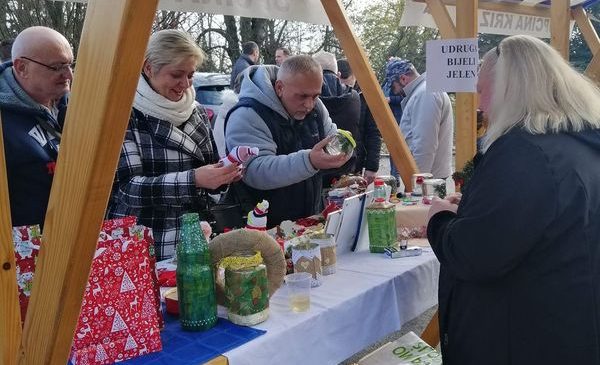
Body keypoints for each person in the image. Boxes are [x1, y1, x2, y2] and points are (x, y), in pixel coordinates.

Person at [427, 34, 600, 365]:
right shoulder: (580, 143)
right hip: (568, 323)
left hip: (522, 336)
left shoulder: (525, 152)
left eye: (482, 90)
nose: (480, 105)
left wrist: (439, 218)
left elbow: (474, 255)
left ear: (509, 88)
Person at [107, 29, 241, 260]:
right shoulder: (124, 113)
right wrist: (194, 180)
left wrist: (222, 177)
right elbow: (127, 189)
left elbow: (209, 169)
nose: (186, 84)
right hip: (144, 244)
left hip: (196, 237)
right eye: (177, 75)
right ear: (148, 68)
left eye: (191, 74)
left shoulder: (197, 111)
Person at [224, 55, 350, 227]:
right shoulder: (247, 114)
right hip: (261, 230)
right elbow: (254, 171)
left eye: (315, 96)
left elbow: (332, 138)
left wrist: (344, 150)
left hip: (308, 221)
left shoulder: (317, 108)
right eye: (302, 96)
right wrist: (310, 161)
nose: (309, 105)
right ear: (280, 87)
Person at [0, 26, 73, 228]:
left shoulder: (75, 106)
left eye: (69, 64)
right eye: (57, 67)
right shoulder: (4, 119)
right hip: (24, 249)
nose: (68, 75)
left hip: (75, 235)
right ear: (22, 67)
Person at [387, 58, 453, 180]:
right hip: (429, 177)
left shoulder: (425, 94)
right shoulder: (424, 91)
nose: (394, 92)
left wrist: (417, 184)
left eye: (393, 86)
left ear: (403, 79)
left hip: (428, 180)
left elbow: (425, 144)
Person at [312, 51, 359, 187]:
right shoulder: (354, 97)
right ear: (338, 75)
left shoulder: (309, 99)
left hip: (315, 169)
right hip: (347, 166)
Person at [337, 58, 381, 184]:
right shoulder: (328, 93)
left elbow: (373, 132)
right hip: (332, 163)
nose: (345, 87)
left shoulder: (366, 97)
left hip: (355, 163)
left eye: (347, 83)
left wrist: (372, 167)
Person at [383, 58, 405, 184]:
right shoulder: (387, 82)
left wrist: (391, 99)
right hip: (388, 118)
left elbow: (403, 97)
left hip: (398, 118)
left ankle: (395, 176)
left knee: (397, 148)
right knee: (391, 148)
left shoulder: (399, 83)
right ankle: (393, 175)